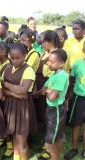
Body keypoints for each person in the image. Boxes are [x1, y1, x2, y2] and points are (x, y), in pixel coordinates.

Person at [2, 43, 37, 160]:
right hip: (10, 105)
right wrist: (12, 93)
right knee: (14, 136)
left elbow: (23, 90)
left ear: (25, 56)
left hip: (23, 107)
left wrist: (5, 84)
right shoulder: (7, 69)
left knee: (22, 140)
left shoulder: (28, 70)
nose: (15, 61)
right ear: (9, 56)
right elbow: (0, 90)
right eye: (12, 58)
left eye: (18, 58)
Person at [35, 30, 61, 160]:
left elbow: (59, 76)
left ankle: (51, 147)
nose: (42, 43)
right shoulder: (44, 53)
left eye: (44, 40)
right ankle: (47, 143)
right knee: (44, 116)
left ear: (51, 41)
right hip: (42, 84)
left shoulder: (57, 55)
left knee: (51, 119)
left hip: (51, 87)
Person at [40, 49, 69, 160]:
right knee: (57, 137)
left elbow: (52, 97)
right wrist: (48, 90)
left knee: (49, 143)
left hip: (56, 110)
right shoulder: (54, 74)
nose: (48, 64)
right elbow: (43, 89)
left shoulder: (61, 76)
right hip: (52, 109)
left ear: (61, 63)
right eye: (49, 61)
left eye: (52, 62)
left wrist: (47, 91)